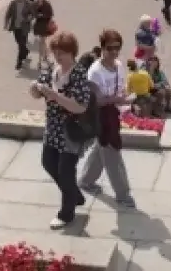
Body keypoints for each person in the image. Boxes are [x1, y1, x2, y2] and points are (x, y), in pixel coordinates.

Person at [30, 31, 92, 229]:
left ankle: (66, 214)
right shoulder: (51, 70)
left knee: (65, 170)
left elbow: (80, 106)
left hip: (71, 130)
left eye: (62, 52)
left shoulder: (78, 73)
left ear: (72, 53)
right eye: (55, 52)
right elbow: (39, 94)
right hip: (53, 126)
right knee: (48, 162)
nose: (58, 56)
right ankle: (75, 195)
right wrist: (35, 89)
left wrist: (55, 96)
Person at [79, 29, 135, 207]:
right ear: (102, 48)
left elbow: (120, 88)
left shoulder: (118, 66)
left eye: (117, 48)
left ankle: (86, 181)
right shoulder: (95, 72)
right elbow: (95, 101)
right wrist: (116, 99)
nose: (114, 52)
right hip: (100, 117)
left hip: (113, 113)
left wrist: (124, 98)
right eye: (110, 48)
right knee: (112, 153)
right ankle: (123, 194)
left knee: (101, 148)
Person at [4, 0, 37, 70]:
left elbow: (33, 14)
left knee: (21, 44)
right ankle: (25, 51)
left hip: (25, 27)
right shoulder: (13, 3)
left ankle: (19, 62)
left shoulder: (29, 3)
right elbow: (8, 14)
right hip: (16, 26)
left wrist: (29, 18)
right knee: (19, 42)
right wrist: (6, 24)